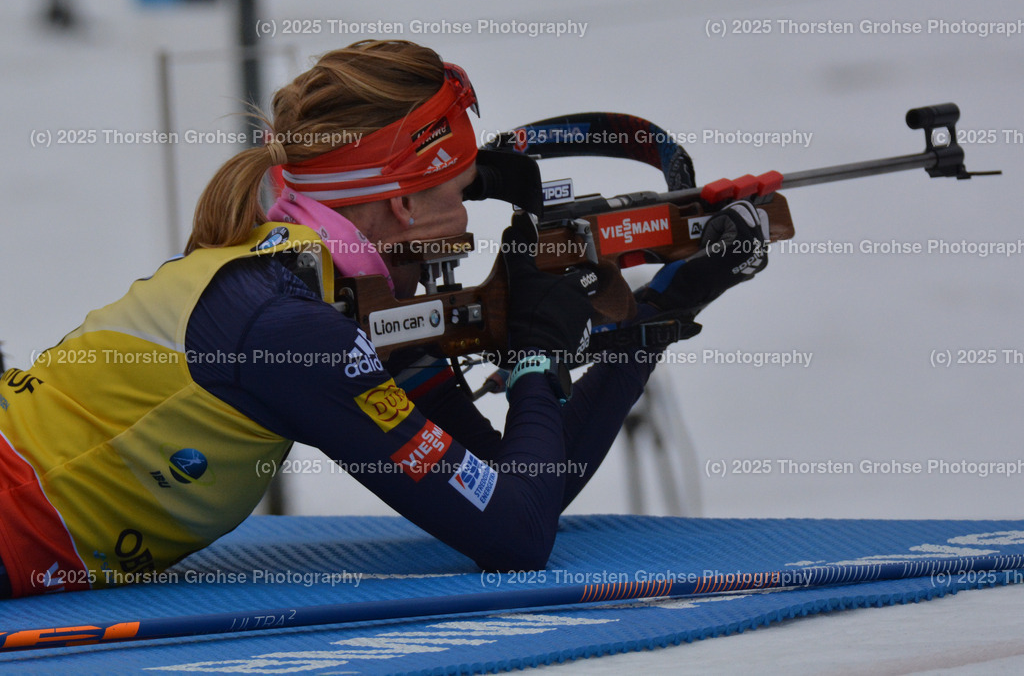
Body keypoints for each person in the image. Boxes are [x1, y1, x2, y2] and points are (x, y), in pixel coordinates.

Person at [0, 40, 766, 599]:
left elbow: (522, 492)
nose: (466, 213)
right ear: (403, 201)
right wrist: (537, 357)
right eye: (459, 190)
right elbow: (515, 536)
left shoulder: (331, 297)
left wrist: (668, 303)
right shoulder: (295, 329)